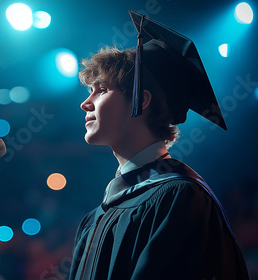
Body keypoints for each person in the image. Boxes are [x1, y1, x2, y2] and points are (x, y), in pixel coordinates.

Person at [69, 10, 250, 280]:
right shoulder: (95, 217)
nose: (86, 103)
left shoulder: (180, 198)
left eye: (102, 90)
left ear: (141, 101)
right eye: (90, 91)